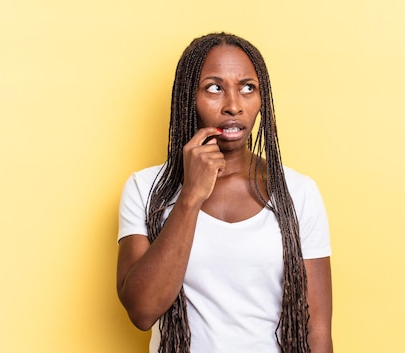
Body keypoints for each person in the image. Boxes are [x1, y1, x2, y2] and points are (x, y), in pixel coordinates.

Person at [116, 32, 333, 353]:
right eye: (215, 88)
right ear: (188, 97)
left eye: (248, 88)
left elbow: (317, 329)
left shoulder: (298, 192)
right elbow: (143, 311)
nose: (233, 106)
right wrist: (190, 196)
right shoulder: (145, 188)